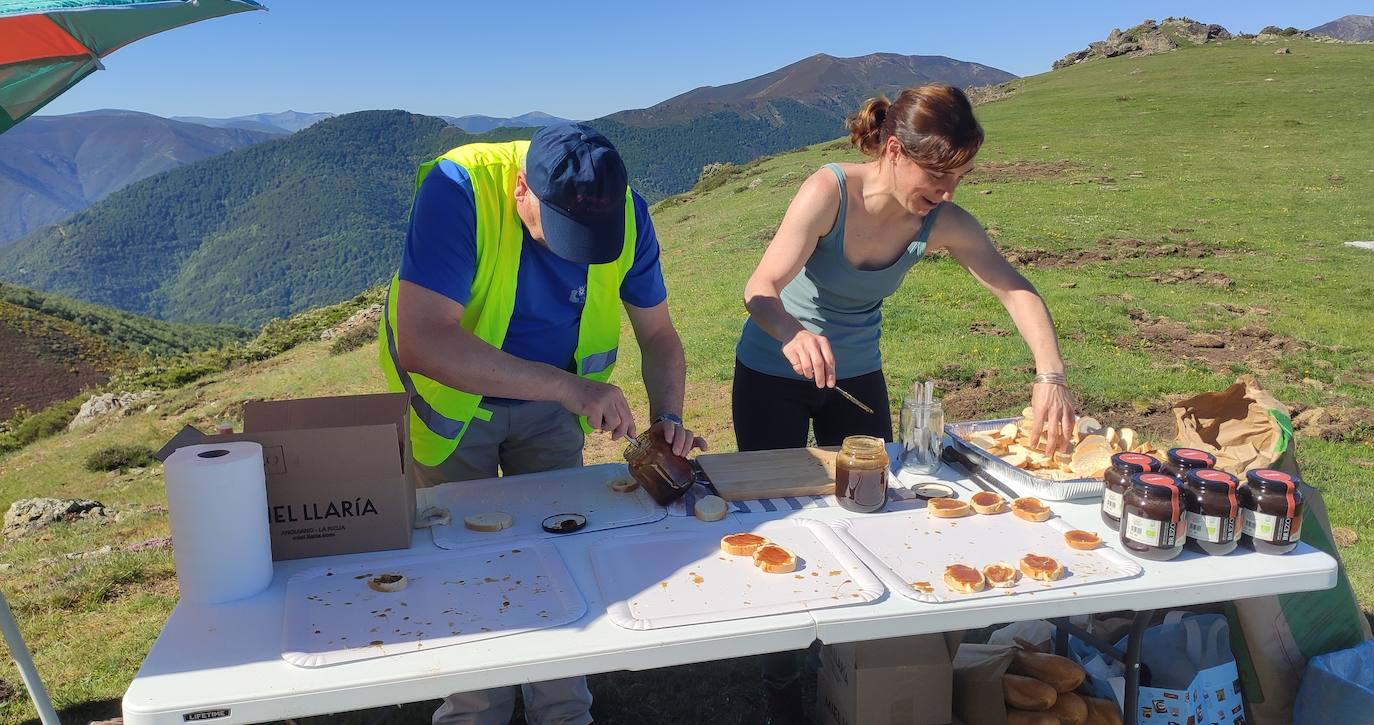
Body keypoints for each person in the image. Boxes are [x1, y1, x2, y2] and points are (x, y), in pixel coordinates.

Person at [732, 84, 1076, 721]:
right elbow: (761, 287)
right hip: (773, 368)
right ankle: (781, 675)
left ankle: (852, 653)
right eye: (937, 174)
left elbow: (1014, 287)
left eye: (960, 177)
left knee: (866, 506)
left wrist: (1050, 375)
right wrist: (791, 334)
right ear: (893, 150)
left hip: (857, 378)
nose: (946, 193)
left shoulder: (941, 219)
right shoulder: (827, 191)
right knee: (774, 514)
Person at [380, 122, 706, 725]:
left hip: (554, 412)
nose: (572, 255)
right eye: (558, 233)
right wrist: (566, 387)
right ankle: (475, 713)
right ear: (522, 188)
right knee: (464, 564)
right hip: (454, 411)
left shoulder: (627, 212)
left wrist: (667, 418)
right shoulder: (460, 187)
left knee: (561, 555)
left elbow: (658, 335)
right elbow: (423, 340)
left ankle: (561, 712)